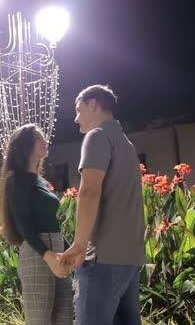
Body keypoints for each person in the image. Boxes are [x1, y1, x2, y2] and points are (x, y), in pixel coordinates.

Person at [60, 85, 145, 325]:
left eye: (78, 110)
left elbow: (88, 192)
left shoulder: (97, 136)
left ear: (93, 104)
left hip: (104, 257)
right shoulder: (125, 144)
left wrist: (79, 246)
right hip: (129, 256)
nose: (76, 119)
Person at [0, 123, 73, 325]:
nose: (45, 141)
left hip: (56, 251)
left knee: (65, 319)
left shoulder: (41, 181)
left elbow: (52, 224)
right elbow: (24, 223)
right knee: (40, 321)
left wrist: (73, 251)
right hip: (36, 253)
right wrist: (48, 255)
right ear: (26, 144)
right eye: (39, 137)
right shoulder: (16, 179)